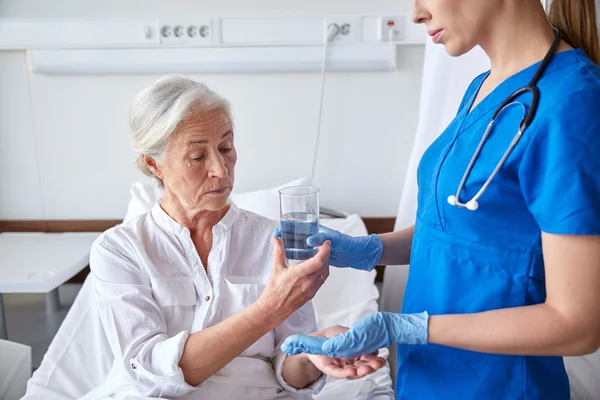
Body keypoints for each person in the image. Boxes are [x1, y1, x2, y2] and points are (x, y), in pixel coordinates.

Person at [280, 0, 600, 398]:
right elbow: (463, 234)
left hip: (498, 388)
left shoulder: (573, 103)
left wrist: (410, 327)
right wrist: (371, 249)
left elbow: (578, 324)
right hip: (428, 381)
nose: (416, 14)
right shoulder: (485, 87)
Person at [87, 76, 385, 400]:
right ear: (153, 164)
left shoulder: (273, 241)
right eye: (198, 157)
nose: (221, 168)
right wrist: (269, 308)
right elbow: (150, 373)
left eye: (226, 148)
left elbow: (290, 370)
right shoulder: (120, 251)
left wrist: (319, 349)